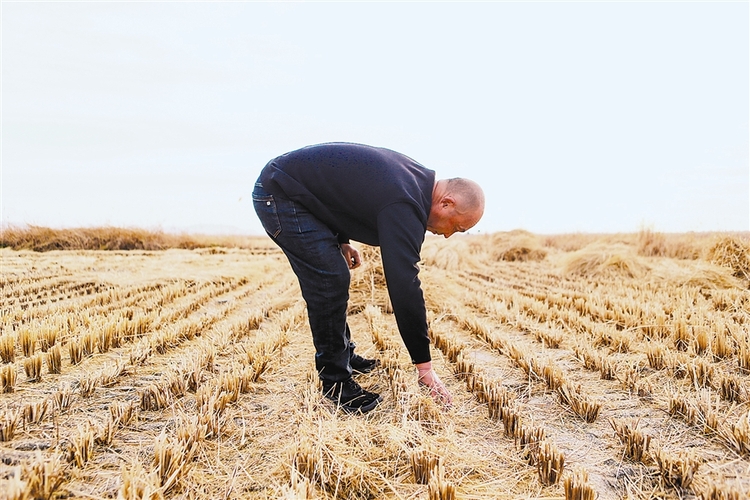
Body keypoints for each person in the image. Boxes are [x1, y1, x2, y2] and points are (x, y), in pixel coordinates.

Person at [253, 142, 484, 413]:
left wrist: (341, 240)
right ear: (447, 202)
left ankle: (344, 355)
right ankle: (335, 382)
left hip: (297, 192)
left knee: (335, 272)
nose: (448, 235)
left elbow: (342, 192)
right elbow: (404, 285)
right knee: (330, 279)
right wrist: (424, 367)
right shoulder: (406, 201)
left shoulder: (415, 183)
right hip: (280, 193)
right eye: (456, 227)